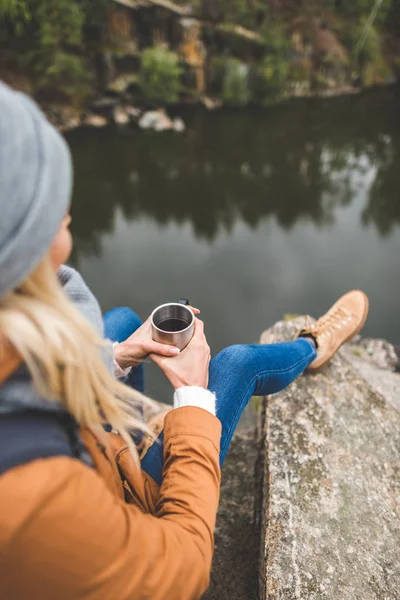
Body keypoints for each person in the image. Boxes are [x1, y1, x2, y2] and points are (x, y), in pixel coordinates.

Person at [0, 81, 369, 600]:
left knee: (125, 321)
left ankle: (140, 396)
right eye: (49, 200)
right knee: (236, 363)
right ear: (19, 241)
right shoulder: (33, 498)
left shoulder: (17, 326)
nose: (67, 208)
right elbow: (184, 568)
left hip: (96, 443)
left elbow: (26, 381)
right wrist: (193, 401)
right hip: (124, 498)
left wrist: (122, 355)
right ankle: (314, 345)